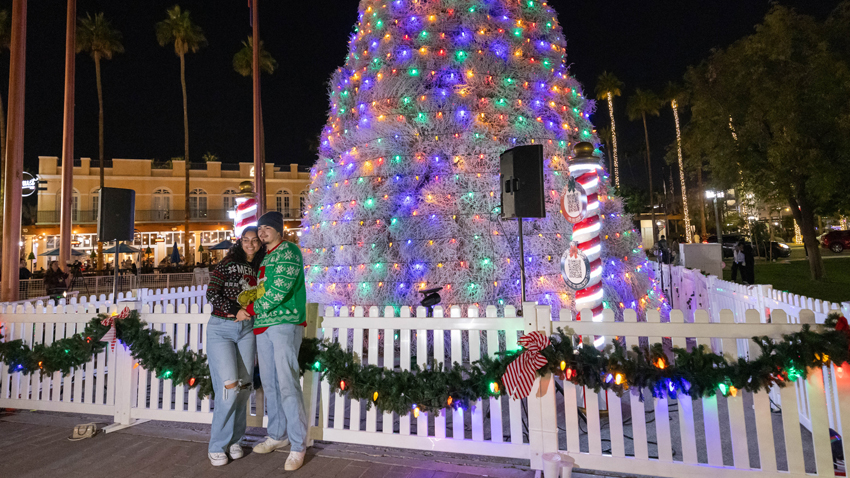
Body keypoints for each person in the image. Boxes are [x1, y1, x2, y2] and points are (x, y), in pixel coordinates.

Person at [248, 211, 308, 471]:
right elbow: (261, 287)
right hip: (263, 326)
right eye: (260, 229)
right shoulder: (266, 256)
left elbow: (280, 289)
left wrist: (250, 309)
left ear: (278, 230)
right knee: (270, 384)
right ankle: (277, 434)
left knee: (287, 383)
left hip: (284, 323)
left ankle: (298, 444)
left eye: (267, 228)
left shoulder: (289, 252)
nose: (262, 233)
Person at [204, 226, 266, 467]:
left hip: (247, 331)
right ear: (240, 242)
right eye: (246, 240)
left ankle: (235, 440)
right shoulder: (227, 263)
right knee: (229, 388)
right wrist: (233, 310)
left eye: (254, 241)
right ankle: (217, 445)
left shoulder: (260, 267)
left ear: (260, 244)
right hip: (222, 328)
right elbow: (212, 293)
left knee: (244, 387)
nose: (250, 244)